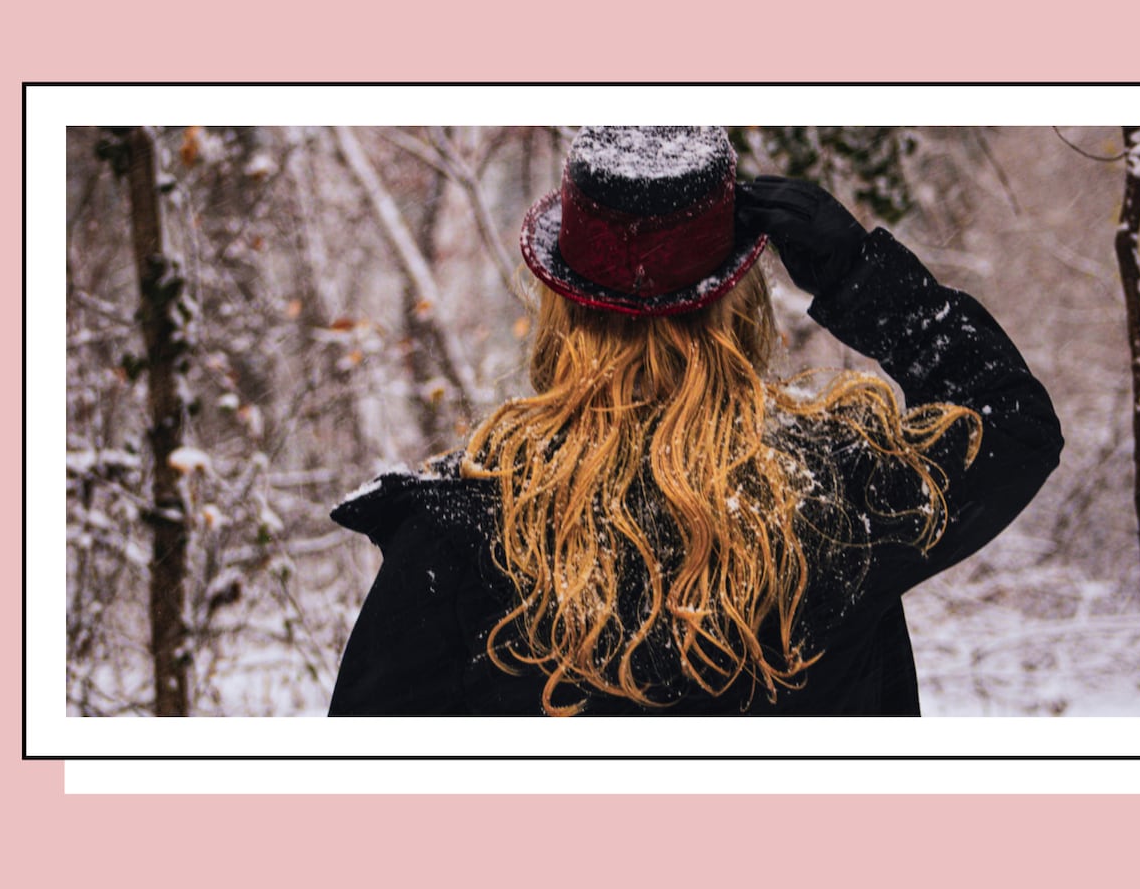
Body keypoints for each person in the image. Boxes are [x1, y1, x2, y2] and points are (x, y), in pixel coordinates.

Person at [328, 126, 1063, 716]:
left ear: (560, 308)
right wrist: (854, 273)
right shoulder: (835, 495)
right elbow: (1012, 425)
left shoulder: (463, 525)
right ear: (737, 302)